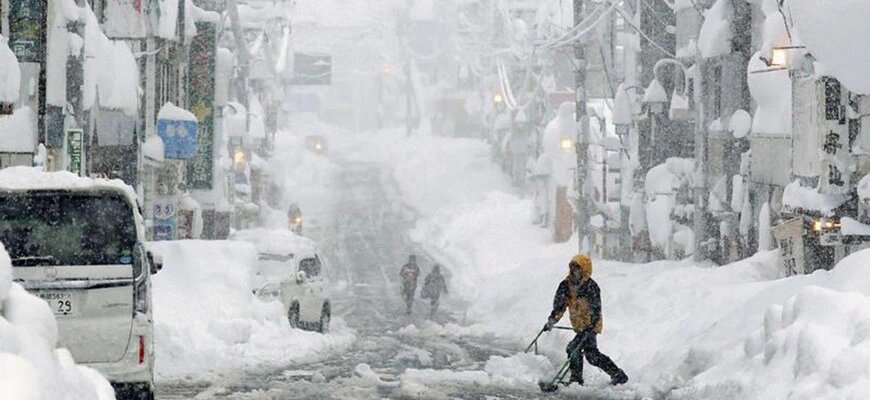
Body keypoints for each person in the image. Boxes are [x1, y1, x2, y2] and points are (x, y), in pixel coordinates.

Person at [544, 254, 628, 386]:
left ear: (584, 269)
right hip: (580, 326)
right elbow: (560, 306)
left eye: (578, 268)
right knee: (592, 356)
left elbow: (596, 309)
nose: (574, 271)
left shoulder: (591, 287)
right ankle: (618, 374)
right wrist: (552, 320)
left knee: (574, 348)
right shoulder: (566, 285)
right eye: (572, 268)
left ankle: (576, 380)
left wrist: (591, 326)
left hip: (590, 326)